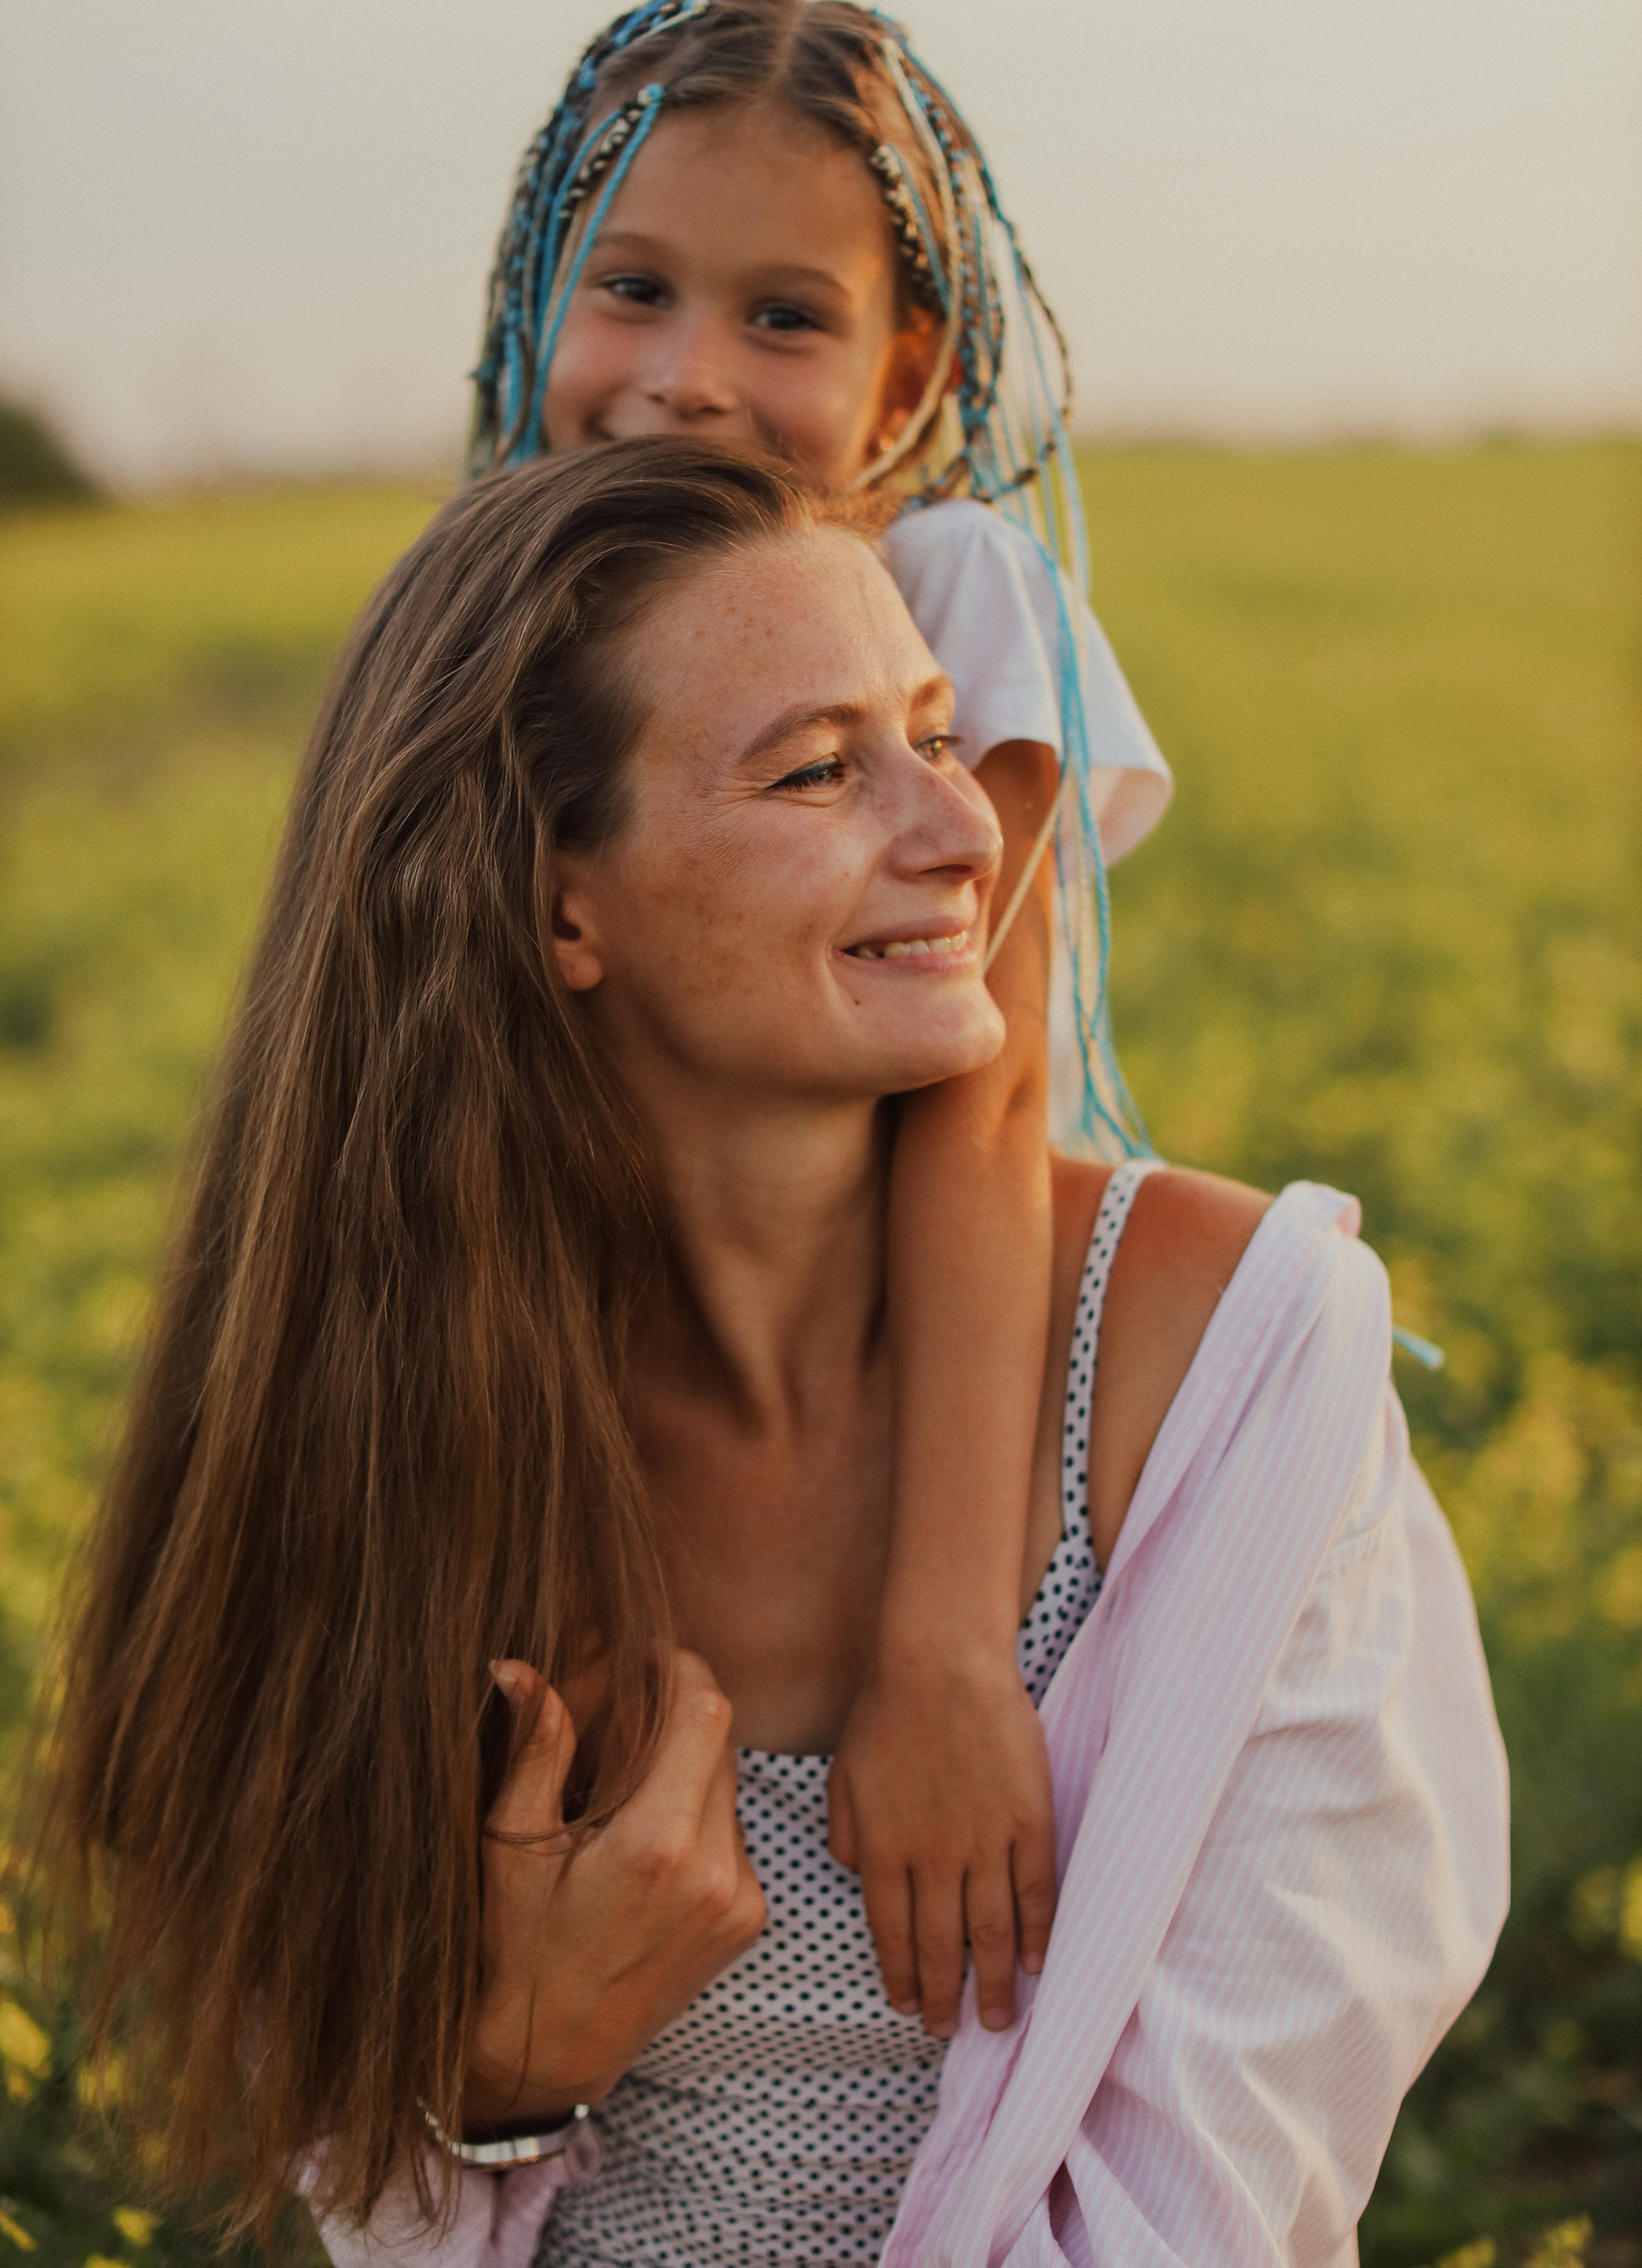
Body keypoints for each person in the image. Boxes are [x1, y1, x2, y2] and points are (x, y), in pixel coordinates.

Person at [33, 441, 1508, 2266]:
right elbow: (353, 2160)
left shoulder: (1228, 1361)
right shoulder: (389, 1418)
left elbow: (1217, 2205)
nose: (963, 831)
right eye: (818, 769)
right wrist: (507, 2074)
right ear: (560, 902)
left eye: (938, 736)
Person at [467, 0, 1173, 2035]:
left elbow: (985, 1108)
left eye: (786, 316)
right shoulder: (490, 613)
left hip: (932, 1417)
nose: (689, 378)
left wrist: (942, 1646)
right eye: (633, 289)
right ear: (540, 296)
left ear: (902, 373)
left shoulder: (943, 594)